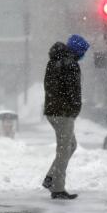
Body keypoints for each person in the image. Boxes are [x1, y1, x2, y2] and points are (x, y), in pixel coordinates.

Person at [42, 34, 89, 200]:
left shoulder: (54, 60)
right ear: (78, 50)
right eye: (83, 51)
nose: (84, 55)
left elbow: (49, 86)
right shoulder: (70, 64)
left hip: (53, 110)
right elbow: (72, 91)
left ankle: (50, 178)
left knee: (71, 145)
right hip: (63, 113)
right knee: (64, 149)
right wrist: (74, 108)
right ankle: (58, 188)